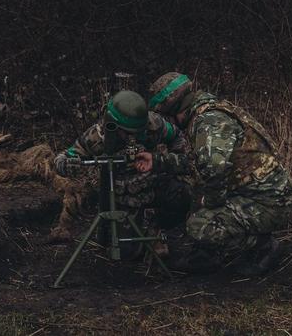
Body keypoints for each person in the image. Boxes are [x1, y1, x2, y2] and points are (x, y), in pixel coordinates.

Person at [136, 72, 292, 276]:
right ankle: (208, 252)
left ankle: (262, 247)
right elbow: (197, 164)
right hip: (262, 194)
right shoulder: (210, 110)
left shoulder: (209, 120)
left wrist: (203, 207)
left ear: (175, 110)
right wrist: (157, 160)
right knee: (199, 205)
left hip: (269, 202)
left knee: (198, 225)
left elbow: (214, 173)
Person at [53, 90, 192, 238]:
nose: (133, 138)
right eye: (128, 133)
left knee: (181, 195)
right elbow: (62, 158)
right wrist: (68, 165)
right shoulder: (96, 137)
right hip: (121, 196)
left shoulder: (154, 123)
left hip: (152, 183)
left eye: (138, 132)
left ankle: (156, 230)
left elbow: (177, 136)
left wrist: (167, 160)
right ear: (113, 124)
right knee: (127, 251)